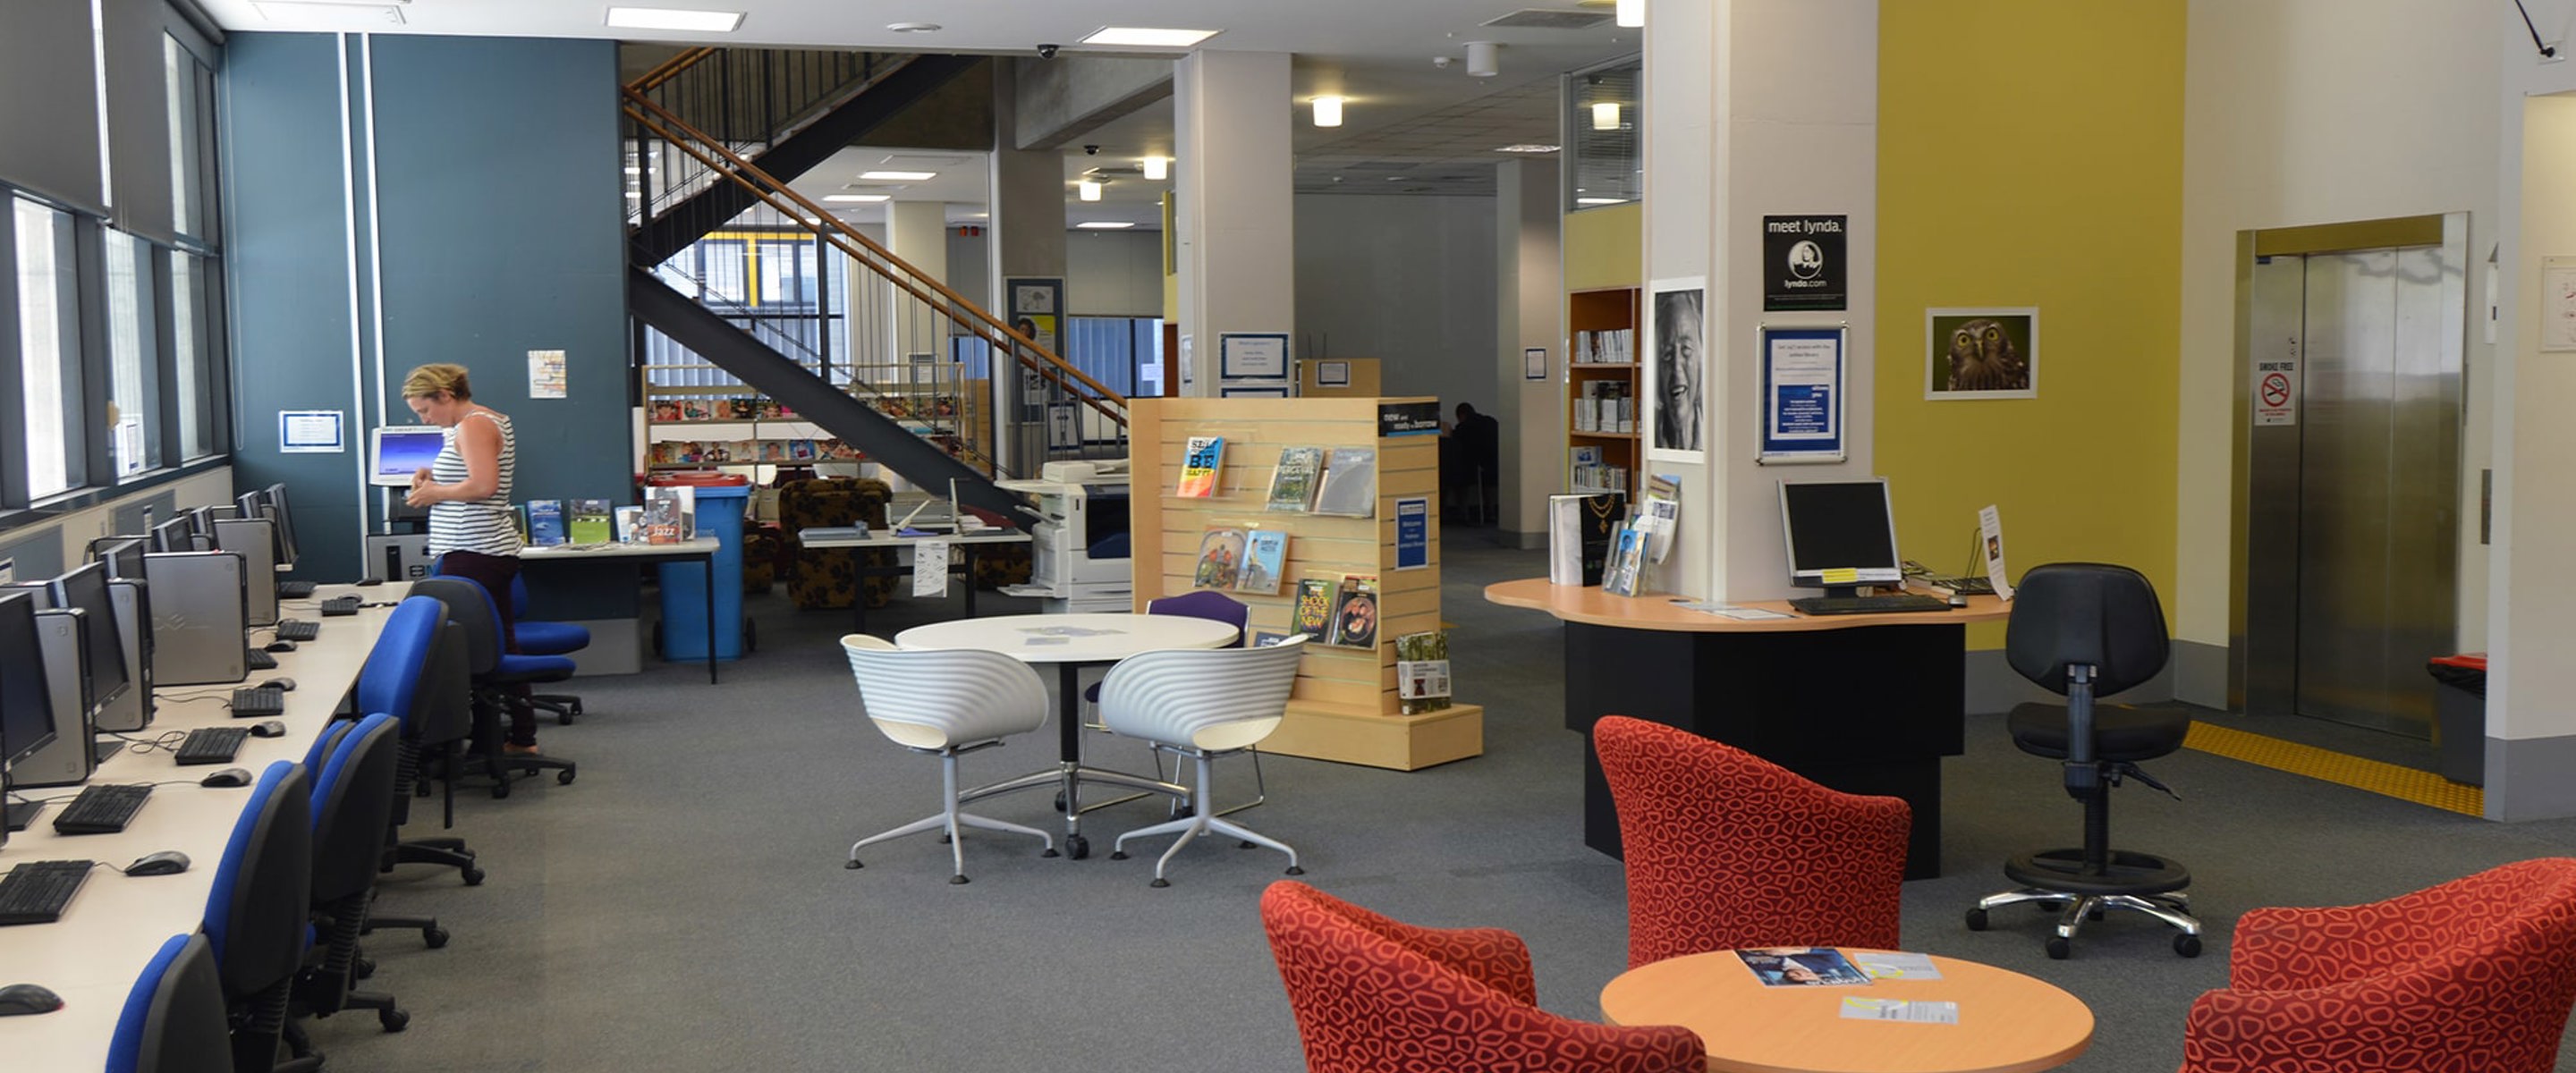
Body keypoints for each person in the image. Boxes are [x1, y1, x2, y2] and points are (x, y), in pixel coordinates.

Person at [402, 362, 541, 755]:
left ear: (445, 396)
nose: (426, 420)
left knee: (479, 651)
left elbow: (484, 485)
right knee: (494, 645)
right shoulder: (476, 423)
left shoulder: (473, 424)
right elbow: (474, 473)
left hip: (476, 550)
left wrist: (434, 494)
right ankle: (509, 737)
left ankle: (504, 739)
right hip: (480, 550)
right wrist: (434, 475)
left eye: (425, 411)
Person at [1655, 290, 1704, 452]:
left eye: (1686, 349)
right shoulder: (1648, 439)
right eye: (1667, 354)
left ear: (1700, 357)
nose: (1676, 368)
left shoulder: (1720, 434)